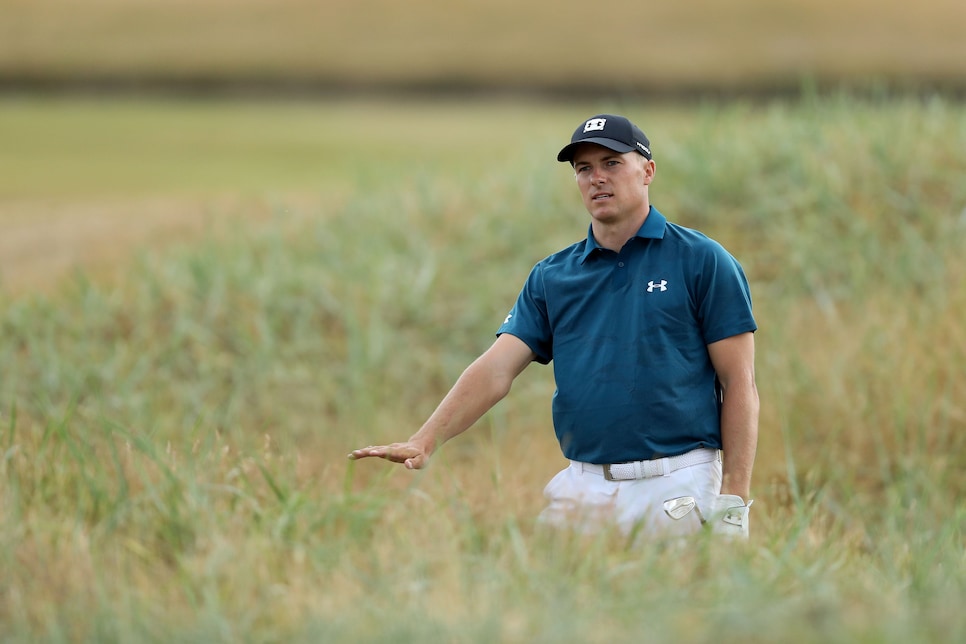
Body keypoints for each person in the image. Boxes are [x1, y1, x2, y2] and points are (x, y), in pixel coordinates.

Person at [349, 114, 759, 539]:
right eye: (584, 169)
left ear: (647, 171)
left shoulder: (701, 260)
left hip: (678, 483)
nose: (597, 178)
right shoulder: (553, 276)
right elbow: (496, 369)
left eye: (612, 163)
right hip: (581, 486)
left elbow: (739, 383)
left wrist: (733, 500)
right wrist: (426, 439)